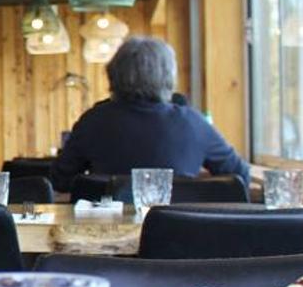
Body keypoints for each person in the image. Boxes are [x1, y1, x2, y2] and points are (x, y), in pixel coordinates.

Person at [50, 37, 249, 192]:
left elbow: (60, 179)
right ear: (168, 77)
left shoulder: (92, 121)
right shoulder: (193, 123)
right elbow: (240, 176)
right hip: (180, 229)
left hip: (104, 229)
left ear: (113, 75)